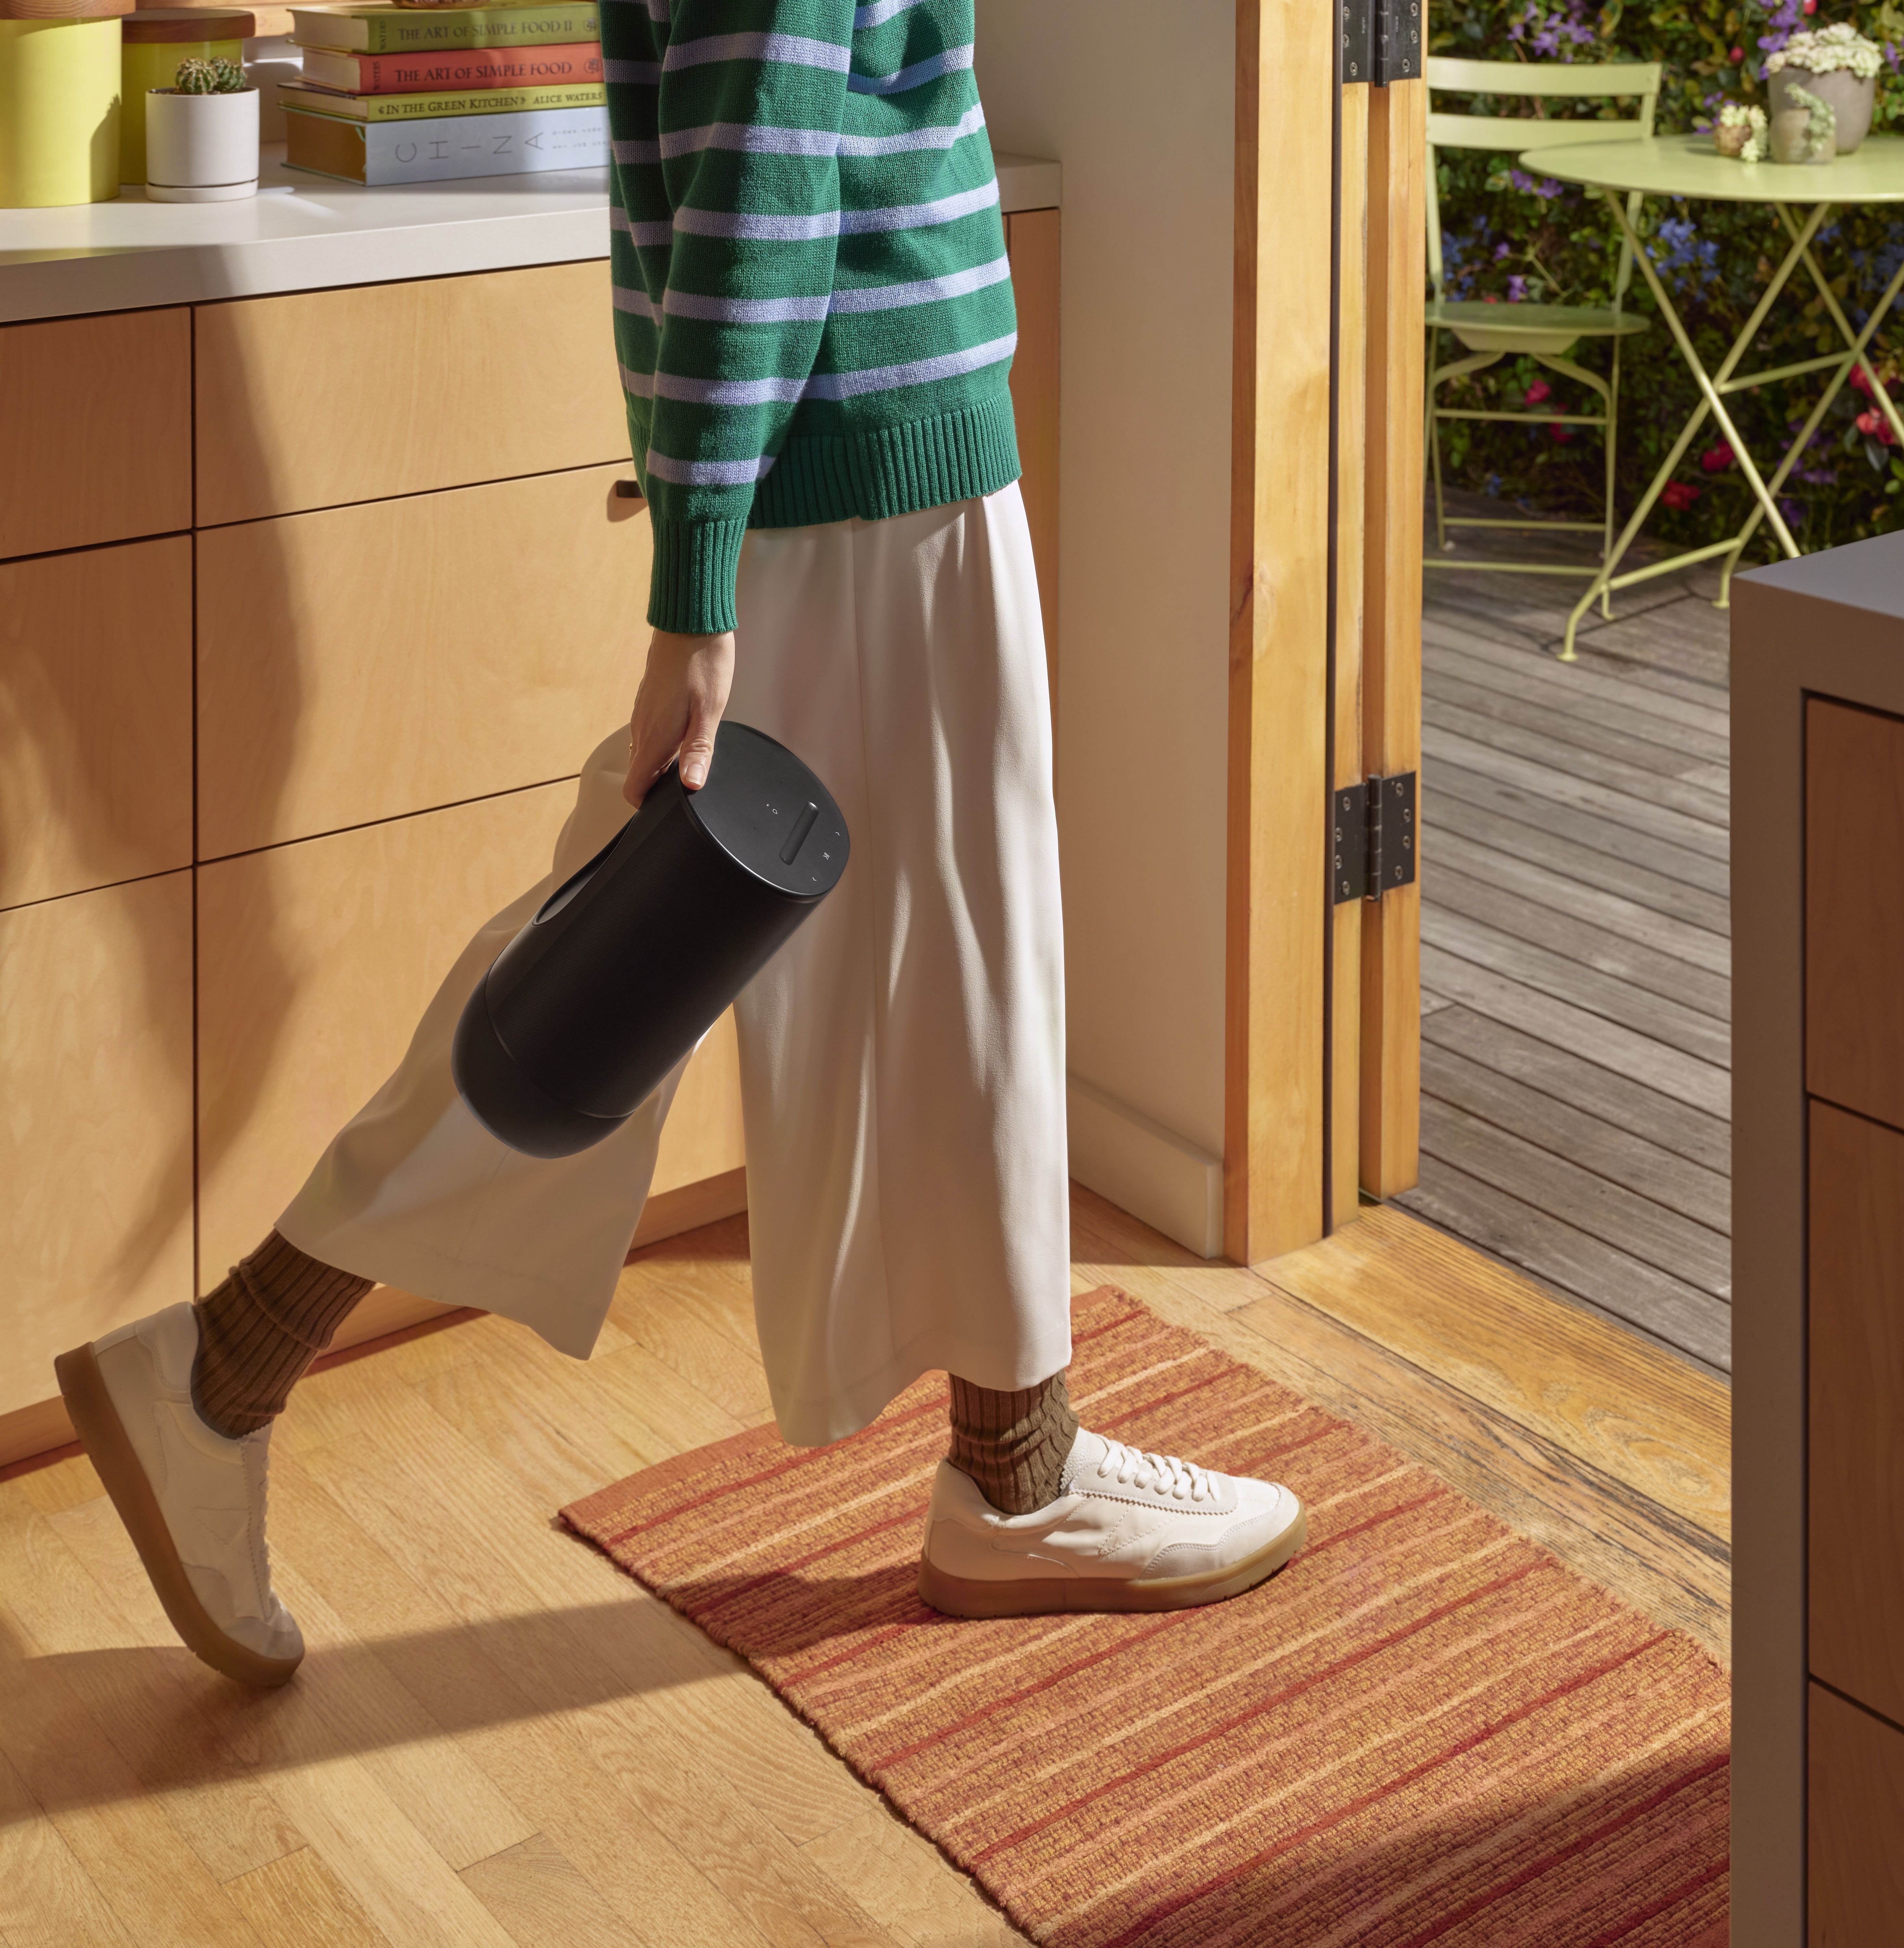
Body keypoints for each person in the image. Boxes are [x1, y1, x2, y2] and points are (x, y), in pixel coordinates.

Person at [53, 0, 1304, 1690]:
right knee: (693, 975)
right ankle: (224, 1372)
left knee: (816, 967)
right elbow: (758, 147)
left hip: (854, 434)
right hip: (865, 442)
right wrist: (698, 575)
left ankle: (1020, 1456)